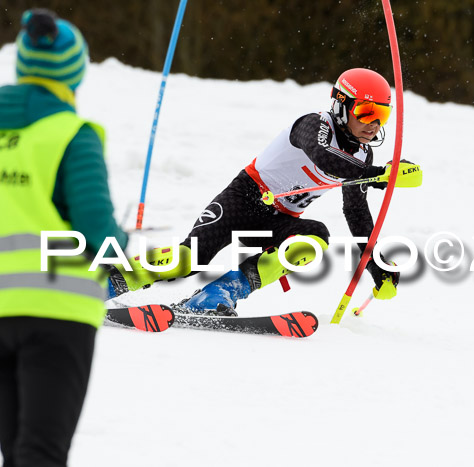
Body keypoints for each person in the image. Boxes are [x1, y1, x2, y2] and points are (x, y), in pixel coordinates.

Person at [107, 67, 416, 313]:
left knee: (313, 239)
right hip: (242, 200)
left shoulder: (362, 157)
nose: (373, 124)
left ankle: (220, 293)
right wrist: (377, 175)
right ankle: (109, 280)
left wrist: (376, 265)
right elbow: (324, 157)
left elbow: (356, 212)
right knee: (188, 261)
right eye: (365, 112)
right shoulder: (312, 125)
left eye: (382, 115)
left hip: (276, 220)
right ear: (340, 104)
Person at [0, 9, 127, 467]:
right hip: (57, 315)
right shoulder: (72, 135)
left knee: (15, 451)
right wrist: (122, 241)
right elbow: (97, 232)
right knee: (40, 453)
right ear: (75, 73)